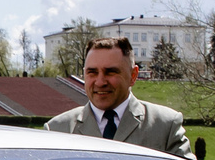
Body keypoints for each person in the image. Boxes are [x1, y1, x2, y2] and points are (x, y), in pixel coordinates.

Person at [46, 35, 190, 153]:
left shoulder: (165, 126)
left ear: (133, 75)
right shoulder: (57, 130)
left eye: (111, 72)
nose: (100, 81)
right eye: (92, 72)